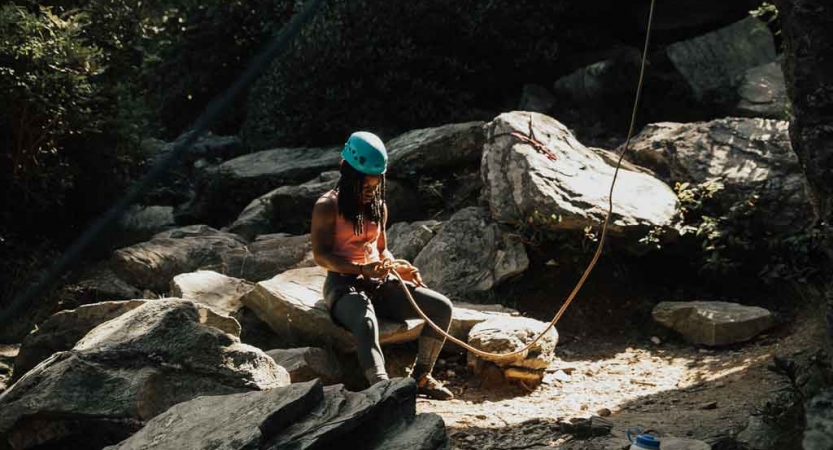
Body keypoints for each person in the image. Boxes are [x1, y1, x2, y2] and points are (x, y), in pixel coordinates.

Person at [310, 131, 454, 400]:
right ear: (348, 173)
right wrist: (362, 270)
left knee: (441, 307)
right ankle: (382, 389)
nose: (371, 190)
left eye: (375, 185)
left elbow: (380, 249)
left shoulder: (378, 206)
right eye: (364, 186)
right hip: (342, 286)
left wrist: (395, 266)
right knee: (366, 323)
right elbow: (321, 256)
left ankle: (422, 375)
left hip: (377, 281)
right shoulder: (327, 206)